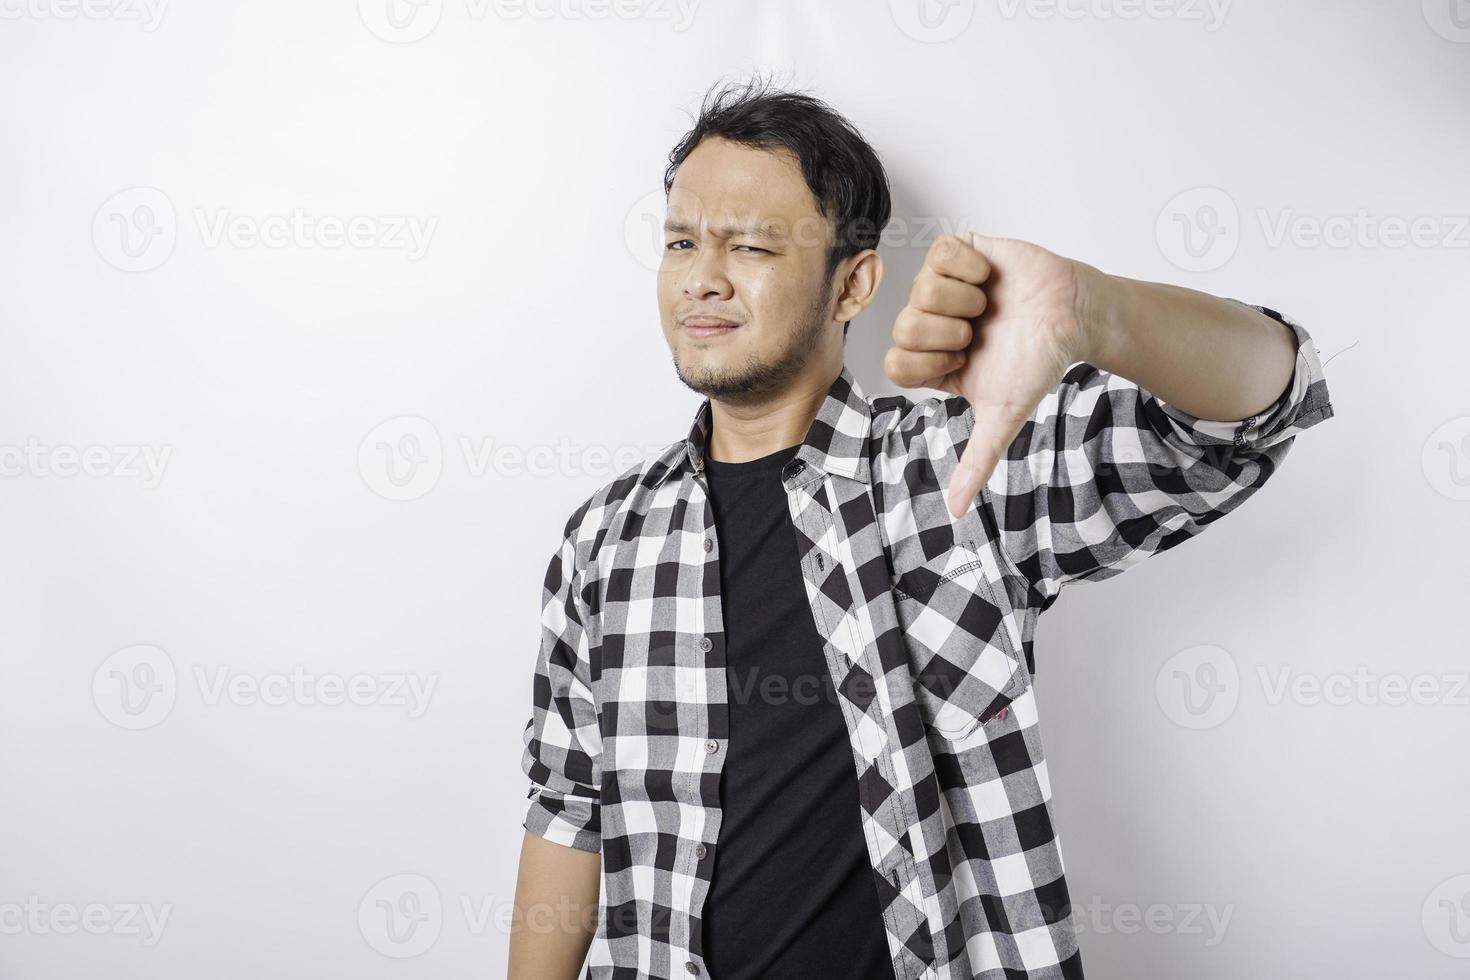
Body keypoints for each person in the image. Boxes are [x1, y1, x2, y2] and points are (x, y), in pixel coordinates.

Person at [508, 75, 1334, 980]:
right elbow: (570, 808)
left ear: (852, 284)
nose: (702, 277)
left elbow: (1245, 425)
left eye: (749, 244)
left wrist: (1095, 311)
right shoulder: (605, 539)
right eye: (680, 242)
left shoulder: (959, 468)